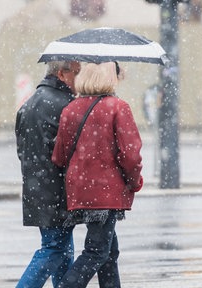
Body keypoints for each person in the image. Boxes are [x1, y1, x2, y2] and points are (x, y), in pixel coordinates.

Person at [52, 61, 143, 288]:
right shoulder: (117, 107)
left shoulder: (70, 109)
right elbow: (130, 155)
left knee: (109, 252)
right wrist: (134, 182)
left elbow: (60, 157)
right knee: (96, 252)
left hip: (80, 191)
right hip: (106, 193)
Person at [15, 60, 81, 288]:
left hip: (37, 188)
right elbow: (69, 153)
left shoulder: (30, 103)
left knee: (62, 249)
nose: (79, 79)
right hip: (57, 191)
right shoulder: (65, 105)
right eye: (76, 73)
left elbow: (22, 151)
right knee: (54, 250)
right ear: (62, 74)